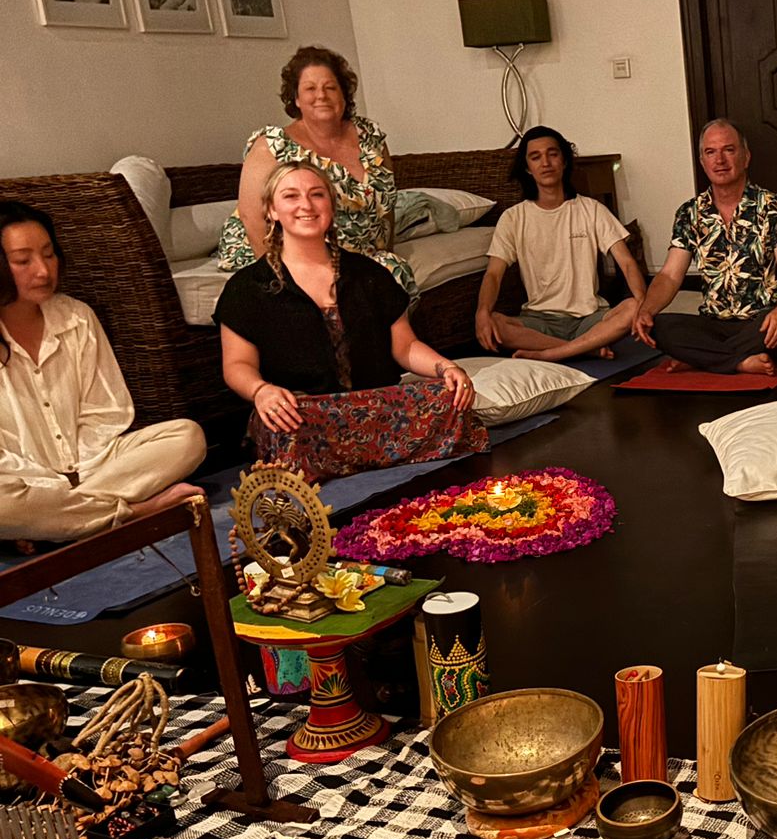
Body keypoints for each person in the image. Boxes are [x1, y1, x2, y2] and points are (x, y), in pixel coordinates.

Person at [214, 163, 478, 476]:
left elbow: (405, 346)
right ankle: (373, 456)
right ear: (272, 210)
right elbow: (237, 365)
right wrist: (261, 391)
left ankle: (354, 459)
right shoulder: (246, 287)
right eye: (291, 196)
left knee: (449, 397)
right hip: (306, 413)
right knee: (284, 424)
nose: (306, 205)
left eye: (317, 195)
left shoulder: (369, 274)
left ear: (331, 205)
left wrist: (446, 368)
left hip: (375, 405)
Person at [0, 202, 204, 545]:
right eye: (23, 261)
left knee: (188, 437)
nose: (43, 271)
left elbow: (106, 410)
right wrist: (47, 482)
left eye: (49, 254)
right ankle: (131, 513)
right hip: (23, 480)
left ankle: (56, 524)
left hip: (95, 465)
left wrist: (74, 483)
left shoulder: (76, 317)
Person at [216, 46, 417, 299]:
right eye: (310, 88)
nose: (321, 95)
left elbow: (387, 203)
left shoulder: (370, 137)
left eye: (330, 87)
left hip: (357, 251)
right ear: (296, 99)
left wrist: (387, 249)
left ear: (344, 94)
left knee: (390, 271)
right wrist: (278, 278)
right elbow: (251, 216)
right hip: (288, 251)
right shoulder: (272, 145)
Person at [630, 119, 777, 375]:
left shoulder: (773, 206)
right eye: (710, 152)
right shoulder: (690, 212)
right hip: (713, 323)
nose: (719, 160)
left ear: (746, 157)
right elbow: (669, 275)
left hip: (761, 322)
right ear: (702, 162)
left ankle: (701, 358)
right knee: (658, 326)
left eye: (729, 150)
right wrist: (646, 310)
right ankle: (739, 361)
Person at [475, 126, 646, 363]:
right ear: (527, 168)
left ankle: (553, 352)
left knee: (632, 307)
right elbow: (493, 274)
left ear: (564, 161)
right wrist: (482, 312)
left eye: (552, 154)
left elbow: (626, 263)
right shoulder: (513, 217)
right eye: (536, 157)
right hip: (538, 321)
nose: (545, 163)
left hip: (590, 319)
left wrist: (643, 305)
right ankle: (583, 349)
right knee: (493, 322)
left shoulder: (591, 209)